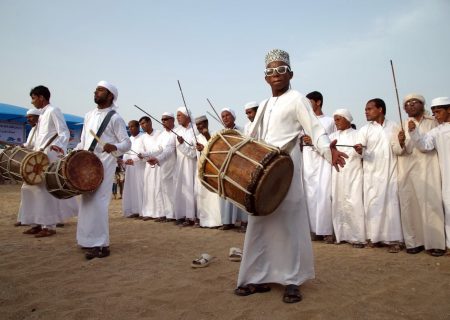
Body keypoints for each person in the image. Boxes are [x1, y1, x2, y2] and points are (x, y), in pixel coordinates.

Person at [235, 49, 347, 303]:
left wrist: (329, 151)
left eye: (281, 70)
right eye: (270, 71)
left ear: (290, 74)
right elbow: (252, 138)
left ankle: (292, 280)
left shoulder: (297, 99)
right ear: (265, 78)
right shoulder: (263, 105)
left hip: (287, 167)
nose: (276, 75)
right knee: (259, 223)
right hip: (264, 171)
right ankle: (256, 276)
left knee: (289, 224)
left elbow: (315, 130)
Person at [75, 81, 131, 260]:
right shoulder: (89, 115)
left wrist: (114, 145)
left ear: (110, 95)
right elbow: (83, 140)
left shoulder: (115, 118)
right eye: (96, 89)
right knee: (86, 201)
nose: (96, 92)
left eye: (100, 90)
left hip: (105, 163)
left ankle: (101, 245)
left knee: (99, 201)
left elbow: (126, 143)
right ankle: (86, 240)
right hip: (87, 162)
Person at [395, 94, 445, 256]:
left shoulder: (433, 122)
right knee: (409, 206)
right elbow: (396, 149)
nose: (410, 105)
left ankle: (435, 243)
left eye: (414, 102)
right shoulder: (400, 126)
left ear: (422, 105)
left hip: (429, 169)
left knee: (432, 205)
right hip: (407, 171)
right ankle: (413, 242)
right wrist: (401, 141)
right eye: (407, 103)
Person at [20, 85, 72, 237]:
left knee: (44, 191)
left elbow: (64, 132)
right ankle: (35, 223)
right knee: (28, 188)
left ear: (41, 97)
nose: (32, 102)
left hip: (48, 156)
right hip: (38, 156)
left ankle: (49, 226)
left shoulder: (53, 110)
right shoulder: (42, 115)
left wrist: (57, 146)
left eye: (34, 98)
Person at [356, 98, 403, 253]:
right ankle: (374, 238)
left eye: (369, 109)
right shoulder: (365, 130)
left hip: (390, 171)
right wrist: (359, 150)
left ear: (380, 109)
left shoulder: (394, 126)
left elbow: (398, 149)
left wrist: (402, 142)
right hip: (372, 174)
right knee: (373, 204)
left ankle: (393, 240)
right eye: (365, 109)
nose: (366, 112)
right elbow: (360, 150)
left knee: (392, 204)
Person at [409, 97, 450, 253]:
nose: (436, 115)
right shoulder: (436, 131)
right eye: (433, 112)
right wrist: (413, 131)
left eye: (439, 111)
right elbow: (424, 145)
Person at [301, 91, 335, 243]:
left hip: (324, 162)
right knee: (309, 196)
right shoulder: (303, 122)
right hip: (307, 162)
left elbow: (333, 141)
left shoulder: (329, 121)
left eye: (309, 102)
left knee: (324, 195)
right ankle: (313, 229)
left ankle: (326, 230)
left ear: (318, 102)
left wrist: (313, 142)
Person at [329, 109, 365, 248]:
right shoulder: (332, 136)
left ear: (347, 119)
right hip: (337, 175)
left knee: (354, 203)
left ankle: (357, 238)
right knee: (338, 202)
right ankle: (341, 235)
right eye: (335, 119)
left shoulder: (358, 134)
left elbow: (364, 153)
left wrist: (360, 151)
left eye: (338, 119)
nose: (336, 122)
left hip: (353, 174)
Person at [219, 107, 247, 231]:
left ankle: (244, 222)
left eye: (227, 115)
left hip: (239, 165)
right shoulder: (220, 133)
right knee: (225, 193)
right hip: (225, 166)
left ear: (233, 117)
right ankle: (227, 221)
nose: (225, 118)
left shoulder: (242, 131)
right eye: (223, 116)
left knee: (240, 193)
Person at [146, 112, 177, 222]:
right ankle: (167, 214)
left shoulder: (175, 133)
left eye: (166, 119)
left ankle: (174, 214)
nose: (163, 122)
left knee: (172, 191)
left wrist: (157, 159)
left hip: (174, 167)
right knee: (163, 190)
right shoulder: (162, 135)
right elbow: (158, 149)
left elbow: (169, 150)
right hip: (163, 166)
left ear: (172, 120)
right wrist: (145, 154)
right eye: (162, 120)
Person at [15, 108, 41, 227]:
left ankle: (49, 221)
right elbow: (29, 144)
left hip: (40, 163)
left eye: (30, 117)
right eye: (27, 118)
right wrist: (22, 146)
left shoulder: (43, 129)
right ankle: (25, 218)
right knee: (26, 190)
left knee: (37, 192)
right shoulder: (33, 130)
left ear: (37, 117)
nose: (28, 119)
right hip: (33, 163)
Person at [195, 115, 222, 228]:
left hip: (212, 170)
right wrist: (182, 144)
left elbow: (216, 150)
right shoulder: (195, 137)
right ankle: (204, 221)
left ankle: (216, 222)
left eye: (201, 124)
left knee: (213, 197)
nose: (199, 127)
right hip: (201, 170)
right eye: (197, 125)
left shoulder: (215, 134)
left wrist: (205, 144)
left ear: (206, 123)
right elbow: (191, 154)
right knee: (202, 196)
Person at [173, 107, 197, 226]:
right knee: (180, 189)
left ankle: (191, 217)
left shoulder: (195, 129)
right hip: (180, 165)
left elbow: (194, 153)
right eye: (177, 115)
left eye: (179, 115)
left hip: (191, 166)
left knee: (190, 190)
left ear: (187, 116)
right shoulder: (177, 131)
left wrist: (182, 145)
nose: (177, 118)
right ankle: (181, 215)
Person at [139, 116, 161, 220]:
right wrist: (142, 156)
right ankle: (148, 212)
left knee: (157, 188)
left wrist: (146, 154)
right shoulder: (142, 137)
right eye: (141, 125)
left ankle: (159, 213)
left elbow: (160, 149)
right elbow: (141, 151)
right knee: (148, 189)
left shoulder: (159, 133)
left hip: (158, 165)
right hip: (148, 166)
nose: (142, 126)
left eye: (143, 123)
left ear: (150, 122)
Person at [122, 120, 145, 218]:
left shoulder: (143, 138)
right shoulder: (129, 140)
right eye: (129, 127)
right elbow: (125, 154)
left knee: (140, 189)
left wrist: (134, 160)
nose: (130, 129)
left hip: (140, 168)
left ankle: (142, 211)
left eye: (132, 127)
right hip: (130, 169)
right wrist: (124, 161)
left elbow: (144, 152)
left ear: (138, 127)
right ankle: (133, 210)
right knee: (131, 189)